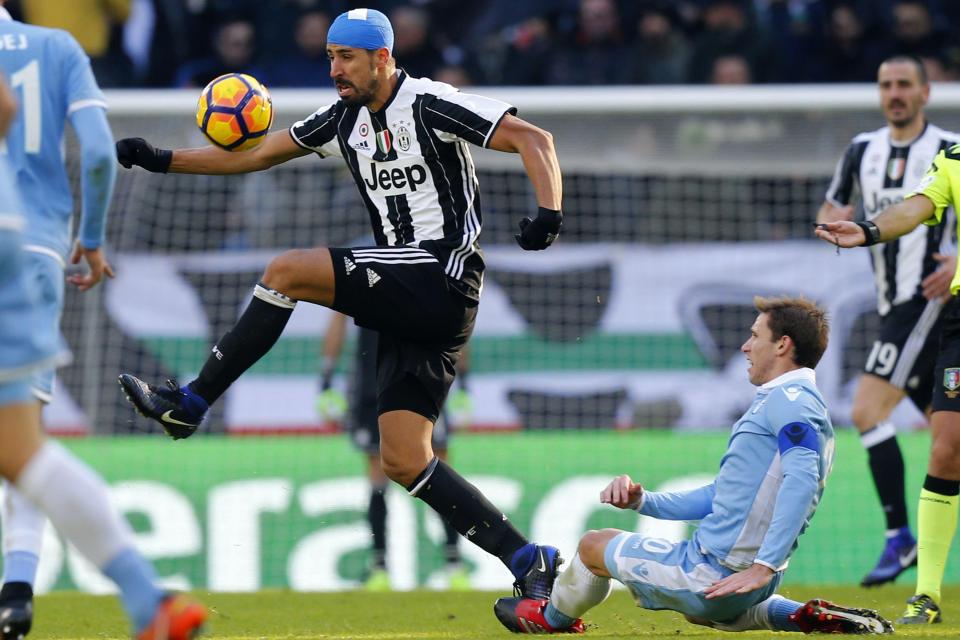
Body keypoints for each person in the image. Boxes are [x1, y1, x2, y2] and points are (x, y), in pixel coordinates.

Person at [115, 7, 565, 600]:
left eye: (345, 57)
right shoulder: (341, 118)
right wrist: (163, 159)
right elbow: (254, 154)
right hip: (409, 300)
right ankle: (528, 558)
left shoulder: (431, 102)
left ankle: (193, 400)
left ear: (383, 57)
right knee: (404, 459)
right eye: (329, 57)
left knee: (286, 271)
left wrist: (549, 214)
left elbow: (534, 138)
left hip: (442, 277)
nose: (335, 69)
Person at [494, 296, 894, 635]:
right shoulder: (797, 400)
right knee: (708, 609)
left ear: (782, 345)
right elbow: (719, 496)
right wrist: (643, 502)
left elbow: (802, 477)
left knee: (593, 545)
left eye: (755, 335)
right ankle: (801, 616)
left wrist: (763, 564)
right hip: (750, 582)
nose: (745, 346)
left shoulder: (789, 402)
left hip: (718, 570)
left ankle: (547, 620)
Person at [0, 71, 205, 640]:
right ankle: (149, 601)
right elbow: (9, 110)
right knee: (22, 451)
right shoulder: (45, 48)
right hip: (20, 237)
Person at [0, 2, 137, 634]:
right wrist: (92, 237)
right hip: (30, 250)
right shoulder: (55, 47)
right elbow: (102, 155)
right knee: (25, 440)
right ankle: (17, 594)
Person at [815, 54, 960, 588]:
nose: (894, 93)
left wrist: (956, 261)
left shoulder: (948, 148)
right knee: (949, 436)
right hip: (890, 303)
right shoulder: (861, 151)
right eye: (886, 85)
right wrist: (830, 226)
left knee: (866, 409)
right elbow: (833, 208)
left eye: (904, 84)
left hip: (927, 301)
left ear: (925, 92)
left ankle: (900, 536)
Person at [317, 313, 471, 591]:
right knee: (380, 471)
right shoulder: (363, 271)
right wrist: (326, 380)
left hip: (425, 377)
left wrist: (465, 382)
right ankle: (380, 568)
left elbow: (458, 317)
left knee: (438, 466)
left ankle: (454, 563)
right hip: (376, 383)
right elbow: (339, 316)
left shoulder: (428, 272)